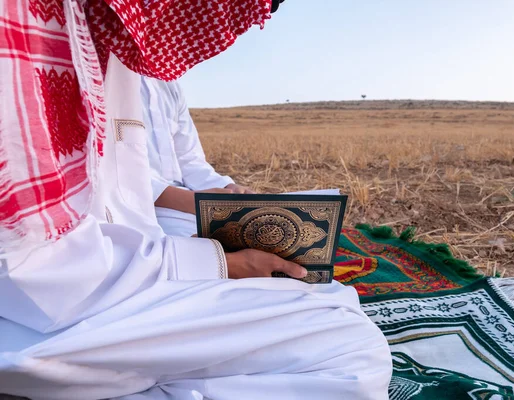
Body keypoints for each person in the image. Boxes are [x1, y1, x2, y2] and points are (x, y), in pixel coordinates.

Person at [0, 1, 392, 399]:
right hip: (52, 317)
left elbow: (178, 170)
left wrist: (233, 199)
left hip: (123, 275)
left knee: (331, 300)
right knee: (352, 352)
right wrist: (220, 264)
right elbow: (39, 268)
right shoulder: (27, 33)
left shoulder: (118, 54)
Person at [142, 77, 252, 238]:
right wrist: (196, 202)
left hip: (192, 204)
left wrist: (229, 189)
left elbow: (190, 159)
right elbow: (111, 175)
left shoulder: (168, 85)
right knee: (212, 252)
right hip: (140, 210)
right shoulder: (101, 77)